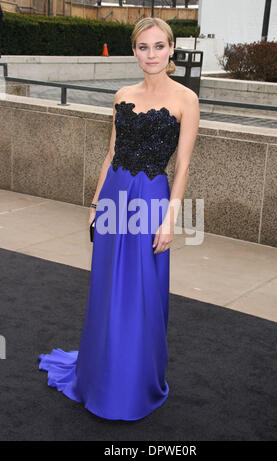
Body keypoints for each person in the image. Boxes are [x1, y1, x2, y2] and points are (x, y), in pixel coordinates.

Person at [38, 17, 200, 421]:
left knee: (143, 292)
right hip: (114, 197)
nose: (151, 54)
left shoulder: (186, 99)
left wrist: (170, 220)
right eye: (143, 47)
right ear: (134, 51)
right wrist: (95, 204)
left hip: (150, 201)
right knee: (108, 288)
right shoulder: (121, 94)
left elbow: (182, 166)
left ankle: (134, 381)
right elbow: (111, 153)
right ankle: (100, 373)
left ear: (171, 50)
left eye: (158, 46)